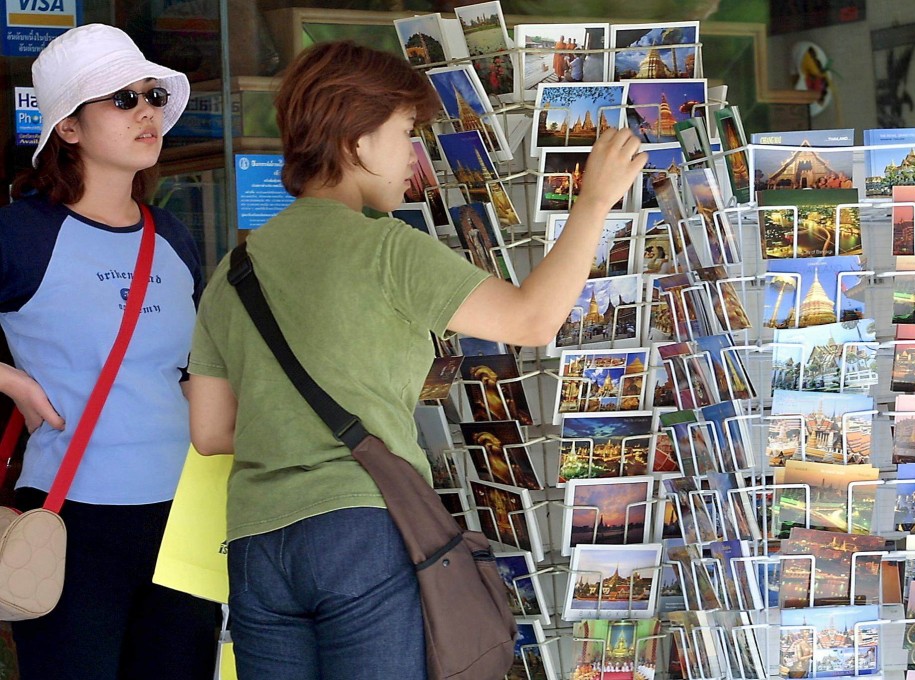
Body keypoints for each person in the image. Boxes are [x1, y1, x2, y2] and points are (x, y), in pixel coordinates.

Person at [187, 40, 645, 679]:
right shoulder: (385, 249)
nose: (415, 155)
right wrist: (594, 202)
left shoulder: (232, 271)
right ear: (356, 139)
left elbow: (210, 433)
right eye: (405, 132)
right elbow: (531, 320)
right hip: (360, 529)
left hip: (256, 544)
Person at [0, 24, 219, 680]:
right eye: (121, 100)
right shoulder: (22, 233)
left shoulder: (172, 233)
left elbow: (189, 370)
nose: (147, 110)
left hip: (184, 515)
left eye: (152, 95)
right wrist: (11, 381)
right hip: (73, 519)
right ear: (68, 128)